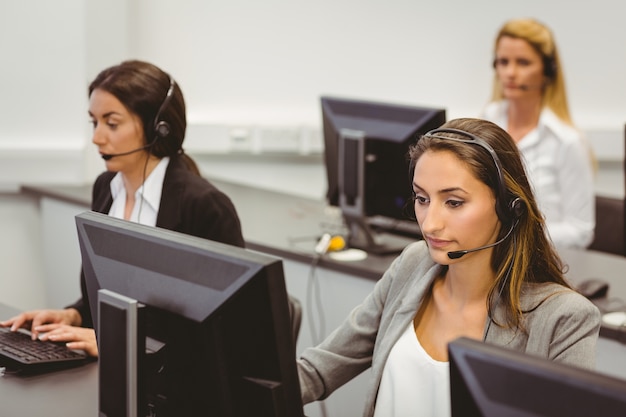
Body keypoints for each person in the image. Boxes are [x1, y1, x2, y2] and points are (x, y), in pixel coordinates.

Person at [297, 118, 601, 417]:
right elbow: (317, 370)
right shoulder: (412, 265)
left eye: (454, 202)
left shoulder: (563, 319)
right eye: (421, 198)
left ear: (509, 208)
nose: (430, 223)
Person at [1, 60, 245, 357]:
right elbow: (113, 300)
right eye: (94, 122)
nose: (96, 137)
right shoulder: (106, 188)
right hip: (114, 373)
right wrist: (74, 316)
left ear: (159, 129)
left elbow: (218, 333)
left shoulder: (205, 207)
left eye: (112, 123)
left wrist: (119, 342)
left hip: (177, 390)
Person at [480, 18, 595, 249]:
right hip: (488, 257)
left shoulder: (566, 141)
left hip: (541, 263)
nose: (510, 73)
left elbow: (581, 232)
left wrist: (514, 231)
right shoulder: (487, 120)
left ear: (548, 71)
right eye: (503, 62)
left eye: (523, 63)